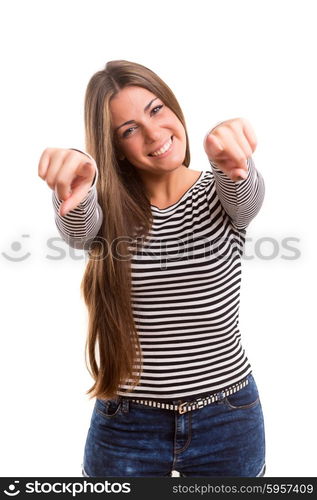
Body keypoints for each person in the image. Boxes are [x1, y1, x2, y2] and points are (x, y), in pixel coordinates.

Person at [38, 60, 266, 477]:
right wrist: (73, 187)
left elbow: (245, 193)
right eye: (129, 129)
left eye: (156, 110)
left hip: (228, 415)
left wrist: (237, 167)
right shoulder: (105, 207)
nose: (154, 133)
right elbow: (77, 229)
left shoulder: (220, 191)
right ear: (113, 145)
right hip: (127, 423)